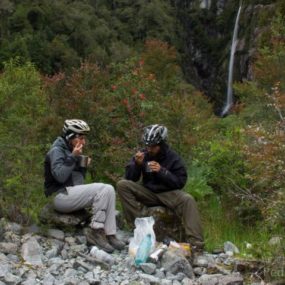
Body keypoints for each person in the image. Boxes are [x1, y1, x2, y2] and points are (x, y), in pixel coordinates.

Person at [117, 124, 204, 252]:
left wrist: (162, 171)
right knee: (122, 185)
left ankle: (196, 244)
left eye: (153, 146)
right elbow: (131, 178)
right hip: (148, 192)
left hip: (168, 193)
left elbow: (180, 182)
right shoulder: (144, 154)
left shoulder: (173, 157)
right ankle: (139, 228)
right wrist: (136, 164)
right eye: (148, 145)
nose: (150, 149)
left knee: (188, 200)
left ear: (162, 144)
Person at [44, 119, 125, 253]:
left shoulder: (72, 150)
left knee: (109, 188)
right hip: (58, 196)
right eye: (80, 138)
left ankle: (109, 234)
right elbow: (60, 176)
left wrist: (82, 167)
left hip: (69, 193)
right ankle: (96, 231)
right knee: (102, 188)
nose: (83, 142)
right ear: (70, 137)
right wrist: (73, 157)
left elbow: (78, 184)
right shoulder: (56, 151)